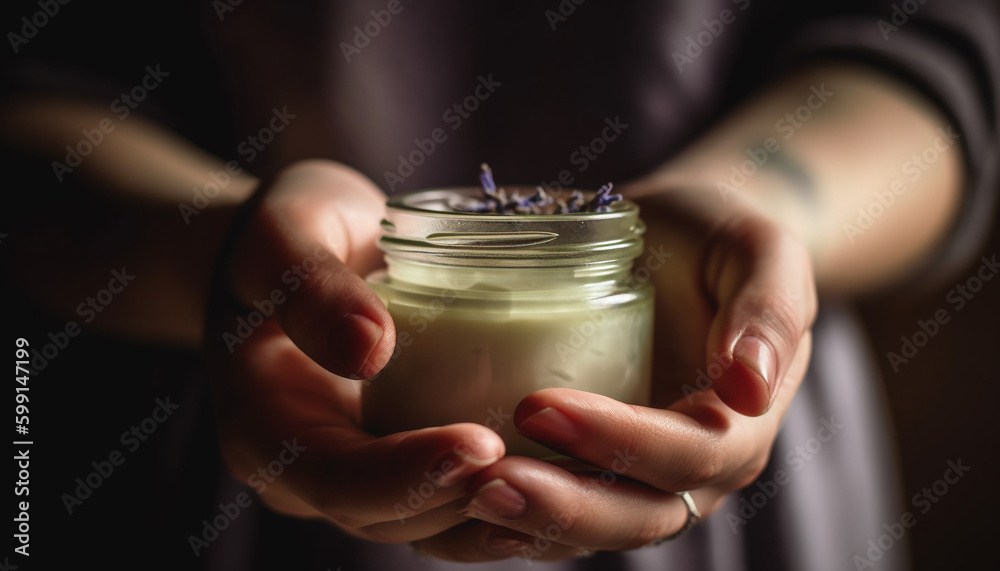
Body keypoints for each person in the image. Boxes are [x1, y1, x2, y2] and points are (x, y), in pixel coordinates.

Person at [1, 1, 996, 569]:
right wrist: (221, 252)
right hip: (218, 438)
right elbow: (35, 101)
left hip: (725, 405)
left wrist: (753, 212)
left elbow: (935, 52)